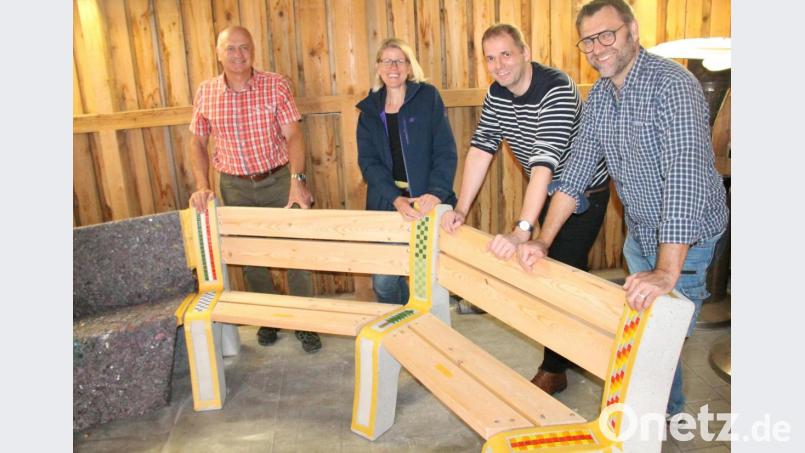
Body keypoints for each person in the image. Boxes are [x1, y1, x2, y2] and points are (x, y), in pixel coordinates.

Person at [517, 0, 728, 418]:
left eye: (606, 34)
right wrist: (542, 240)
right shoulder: (598, 97)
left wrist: (667, 270)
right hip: (641, 231)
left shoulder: (674, 85)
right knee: (648, 336)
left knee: (659, 339)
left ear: (631, 29)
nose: (597, 48)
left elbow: (684, 181)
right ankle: (662, 412)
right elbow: (575, 172)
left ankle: (657, 420)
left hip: (690, 239)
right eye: (588, 41)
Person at [440, 23, 609, 394]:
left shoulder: (557, 88)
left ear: (525, 52)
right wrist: (461, 208)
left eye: (506, 54)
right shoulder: (496, 94)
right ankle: (569, 353)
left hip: (583, 192)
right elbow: (482, 149)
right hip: (543, 188)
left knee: (554, 272)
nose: (498, 65)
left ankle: (554, 369)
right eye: (490, 58)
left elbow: (543, 166)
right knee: (558, 272)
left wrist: (521, 230)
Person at [188, 26, 321, 353]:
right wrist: (203, 185)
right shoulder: (206, 92)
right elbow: (197, 142)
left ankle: (305, 321)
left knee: (296, 250)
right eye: (230, 49)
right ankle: (269, 317)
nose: (238, 54)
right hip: (234, 186)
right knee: (250, 258)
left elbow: (294, 136)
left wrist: (297, 182)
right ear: (218, 53)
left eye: (244, 47)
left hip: (279, 181)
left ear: (253, 50)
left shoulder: (275, 85)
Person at [357, 38, 458, 304]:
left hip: (426, 200)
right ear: (378, 68)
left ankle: (421, 327)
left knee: (429, 278)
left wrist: (436, 193)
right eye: (386, 61)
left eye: (399, 60)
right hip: (387, 202)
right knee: (384, 281)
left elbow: (445, 151)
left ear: (410, 67)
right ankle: (403, 320)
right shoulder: (368, 111)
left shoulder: (428, 98)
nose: (393, 66)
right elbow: (368, 162)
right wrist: (395, 198)